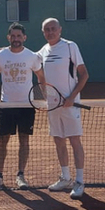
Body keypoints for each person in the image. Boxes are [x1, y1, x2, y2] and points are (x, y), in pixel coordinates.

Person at [0, 22, 45, 190]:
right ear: (9, 37)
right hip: (6, 104)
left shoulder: (32, 56)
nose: (16, 39)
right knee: (2, 141)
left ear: (24, 38)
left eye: (19, 36)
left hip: (26, 106)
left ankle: (21, 176)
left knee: (24, 140)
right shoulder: (0, 55)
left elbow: (41, 79)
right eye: (13, 36)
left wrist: (46, 99)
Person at [37, 18, 89, 200]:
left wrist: (71, 97)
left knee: (74, 140)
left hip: (69, 104)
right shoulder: (42, 51)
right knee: (58, 140)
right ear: (43, 32)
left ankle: (80, 181)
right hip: (53, 105)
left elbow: (84, 74)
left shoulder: (70, 46)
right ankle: (65, 178)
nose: (50, 32)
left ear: (60, 29)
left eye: (53, 28)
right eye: (46, 30)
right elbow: (32, 66)